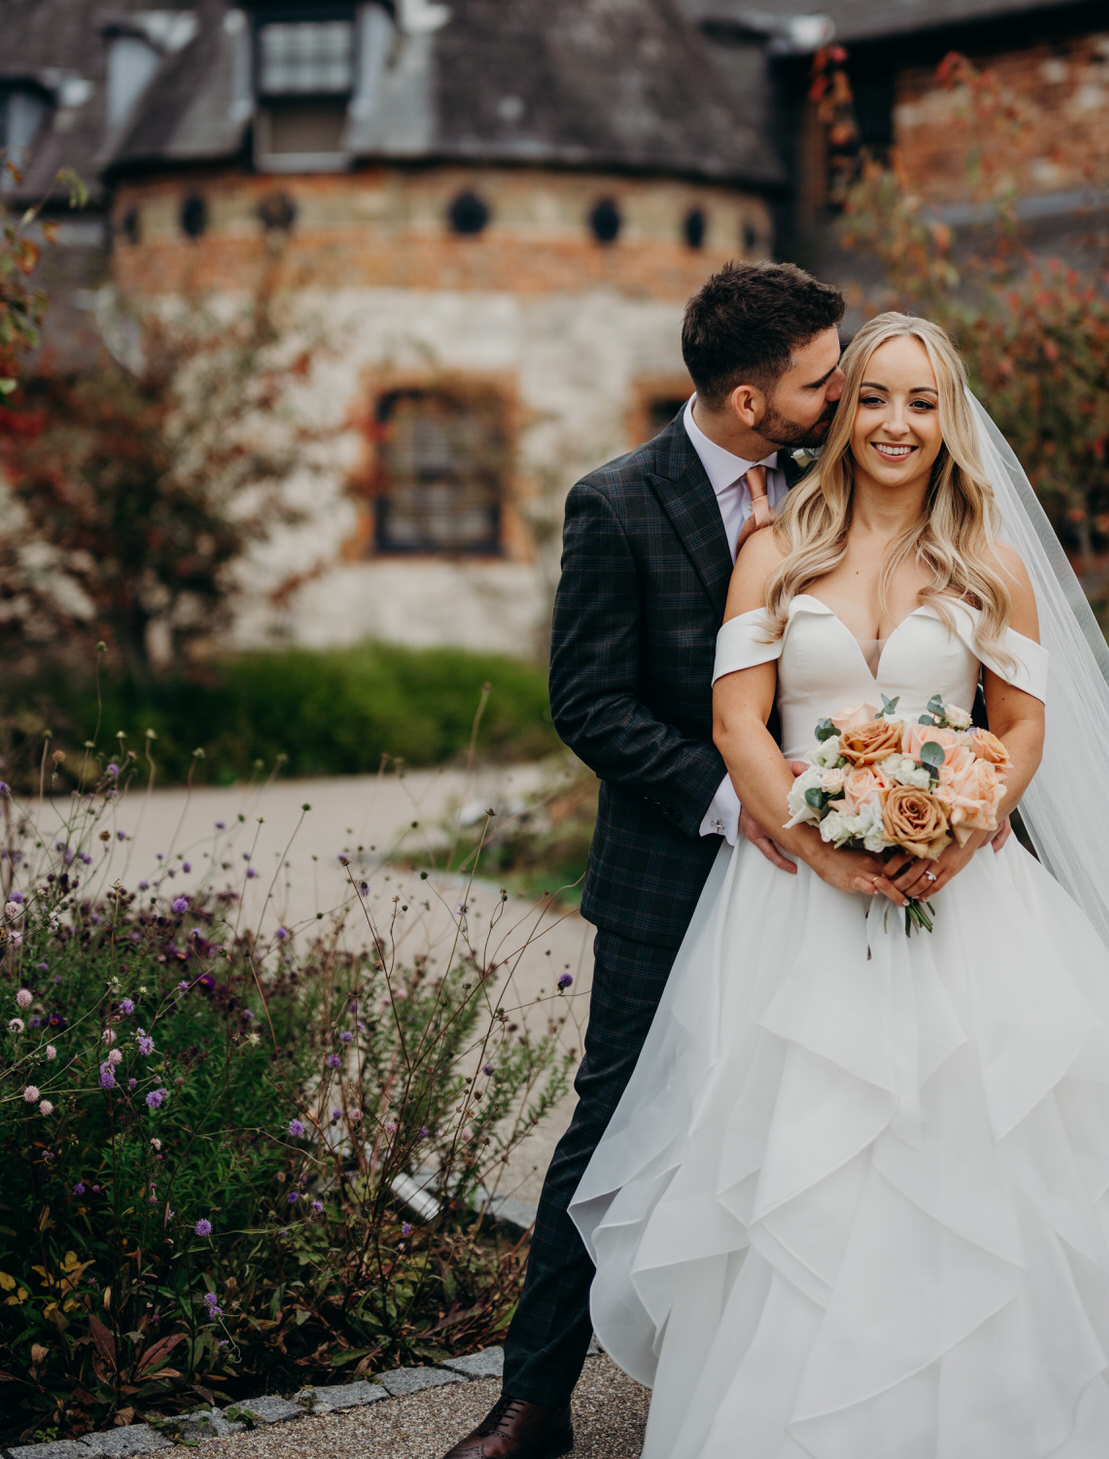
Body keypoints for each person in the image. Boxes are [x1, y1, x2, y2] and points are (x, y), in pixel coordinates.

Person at [571, 312, 1109, 1457]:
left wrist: (967, 827)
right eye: (871, 395)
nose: (893, 421)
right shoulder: (776, 548)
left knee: (991, 1149)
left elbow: (1020, 729)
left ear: (950, 417)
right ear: (842, 410)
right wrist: (822, 844)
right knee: (806, 1168)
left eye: (920, 401)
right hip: (795, 906)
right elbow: (738, 720)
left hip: (965, 897)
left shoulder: (991, 564)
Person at [444, 261, 850, 1459]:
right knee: (612, 1122)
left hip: (838, 866)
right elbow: (590, 703)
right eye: (822, 380)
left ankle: (792, 1370)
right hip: (682, 864)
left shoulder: (841, 477)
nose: (842, 394)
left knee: (825, 1105)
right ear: (744, 398)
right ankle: (532, 1399)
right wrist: (738, 803)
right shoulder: (615, 503)